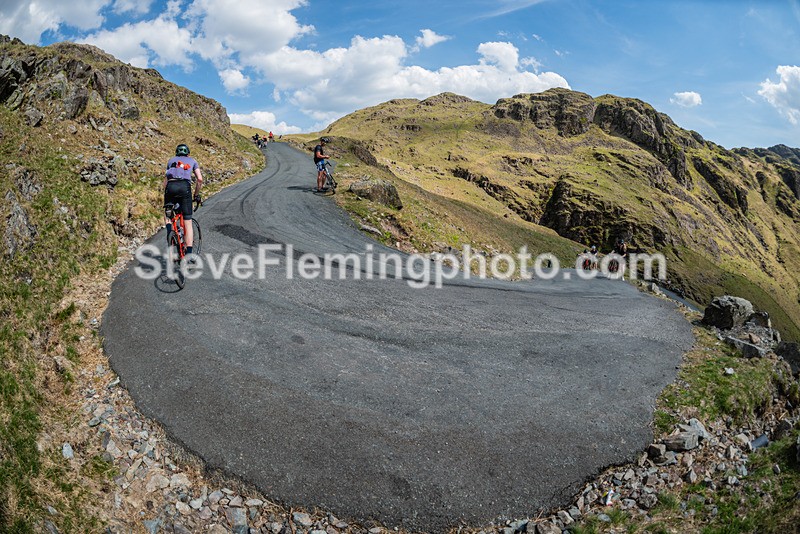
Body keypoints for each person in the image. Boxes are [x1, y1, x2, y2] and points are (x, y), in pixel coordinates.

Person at [164, 143, 203, 254]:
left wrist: (166, 193)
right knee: (187, 221)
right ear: (188, 153)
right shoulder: (193, 161)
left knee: (168, 212)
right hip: (184, 188)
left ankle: (169, 232)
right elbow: (199, 179)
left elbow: (166, 180)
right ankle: (189, 254)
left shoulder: (171, 161)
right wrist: (196, 195)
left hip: (170, 187)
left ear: (176, 153)